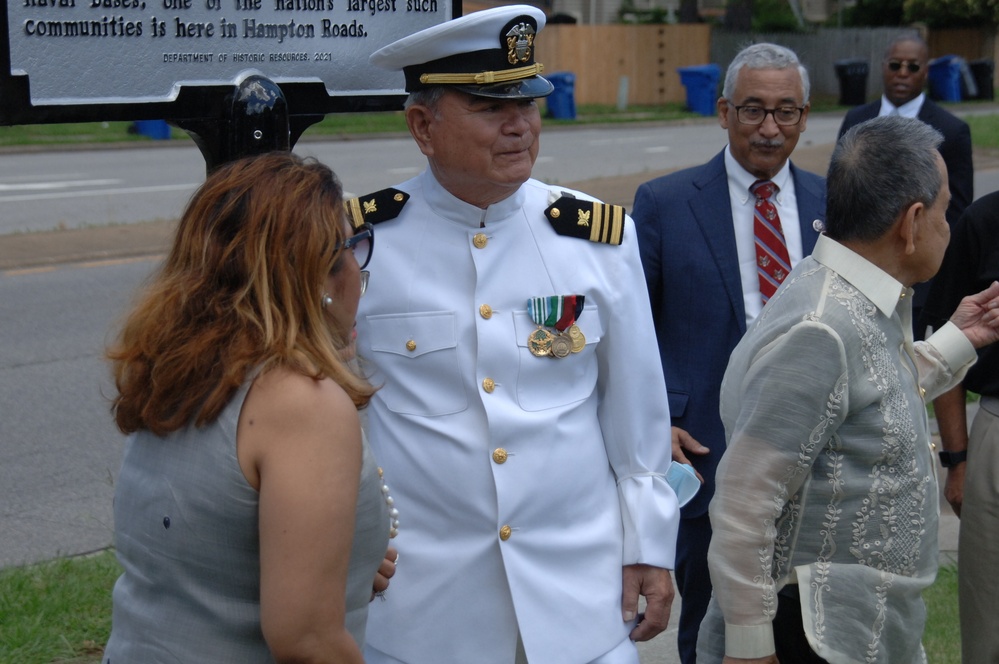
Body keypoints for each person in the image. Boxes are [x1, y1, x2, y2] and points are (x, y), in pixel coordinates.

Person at [350, 6, 679, 663]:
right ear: (422, 125)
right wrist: (347, 538)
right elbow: (337, 415)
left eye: (528, 103)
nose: (519, 125)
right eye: (487, 107)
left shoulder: (595, 240)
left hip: (580, 603)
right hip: (423, 612)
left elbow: (635, 413)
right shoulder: (360, 247)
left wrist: (648, 544)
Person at [697, 115, 999, 664]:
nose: (948, 227)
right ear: (911, 222)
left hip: (853, 628)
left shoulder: (848, 293)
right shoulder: (822, 326)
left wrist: (962, 338)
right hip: (813, 634)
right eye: (943, 211)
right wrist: (749, 646)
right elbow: (744, 502)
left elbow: (866, 398)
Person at [103, 152, 396, 663]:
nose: (359, 269)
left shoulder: (183, 369)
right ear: (317, 275)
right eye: (354, 247)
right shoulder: (301, 402)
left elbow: (206, 542)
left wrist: (347, 564)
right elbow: (305, 638)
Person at [631, 42, 826, 664]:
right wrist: (657, 418)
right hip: (707, 448)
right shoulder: (665, 203)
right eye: (753, 110)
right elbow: (632, 328)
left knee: (806, 626)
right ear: (723, 112)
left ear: (804, 115)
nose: (770, 128)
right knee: (712, 626)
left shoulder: (833, 204)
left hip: (813, 454)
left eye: (786, 112)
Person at [838, 33, 973, 337]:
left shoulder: (951, 131)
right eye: (895, 64)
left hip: (917, 282)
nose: (902, 73)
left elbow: (957, 211)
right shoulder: (856, 120)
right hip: (858, 272)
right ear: (883, 66)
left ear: (925, 71)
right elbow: (840, 197)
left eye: (912, 67)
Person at [919, 191, 999, 664]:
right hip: (995, 428)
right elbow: (946, 335)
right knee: (989, 622)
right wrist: (958, 460)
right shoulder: (985, 219)